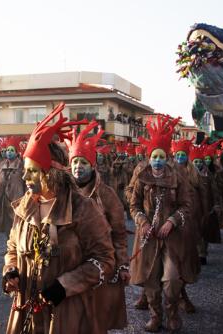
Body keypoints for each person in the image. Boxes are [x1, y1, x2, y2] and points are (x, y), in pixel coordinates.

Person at [2, 103, 115, 334]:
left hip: (68, 315)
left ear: (49, 172)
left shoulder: (83, 209)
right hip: (27, 313)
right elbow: (13, 246)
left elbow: (104, 260)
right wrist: (10, 270)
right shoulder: (26, 206)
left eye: (32, 170)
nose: (25, 177)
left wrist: (65, 286)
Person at [130, 115, 192, 333]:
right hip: (148, 237)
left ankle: (173, 313)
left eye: (161, 156)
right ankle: (156, 316)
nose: (157, 160)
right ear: (150, 157)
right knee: (150, 279)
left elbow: (186, 205)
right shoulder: (141, 176)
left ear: (167, 157)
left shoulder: (178, 177)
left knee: (172, 279)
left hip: (171, 238)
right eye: (154, 156)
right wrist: (142, 221)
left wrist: (172, 221)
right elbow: (133, 204)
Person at [65, 121, 128, 332]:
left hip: (98, 268)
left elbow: (119, 233)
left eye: (83, 162)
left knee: (96, 321)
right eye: (75, 162)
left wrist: (122, 264)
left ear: (92, 165)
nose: (78, 167)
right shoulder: (62, 194)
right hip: (69, 269)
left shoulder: (107, 195)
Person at [0, 136, 25, 235]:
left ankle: (18, 248)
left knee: (18, 227)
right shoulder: (2, 166)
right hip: (3, 201)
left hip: (17, 201)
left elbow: (26, 183)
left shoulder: (21, 165)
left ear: (16, 152)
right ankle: (10, 248)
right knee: (6, 227)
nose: (9, 152)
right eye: (8, 150)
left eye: (11, 150)